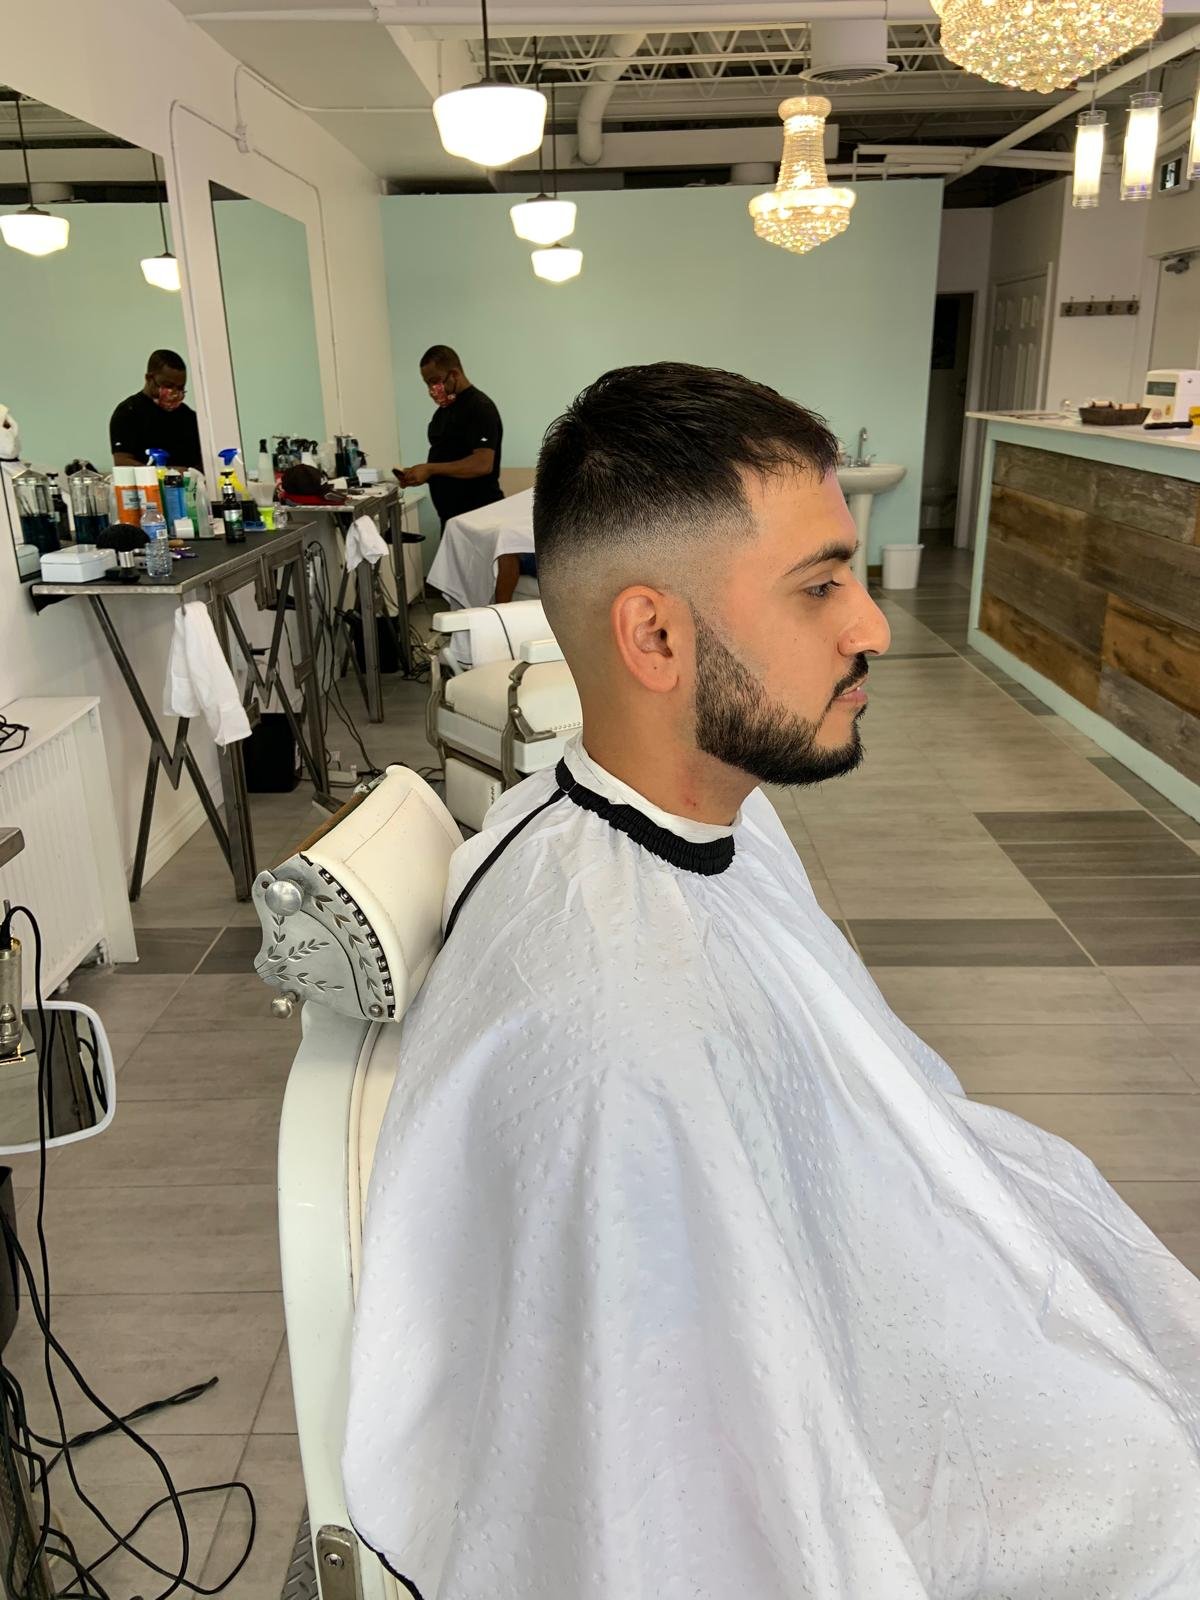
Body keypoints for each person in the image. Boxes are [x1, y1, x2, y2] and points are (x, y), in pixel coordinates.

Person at [345, 363, 1200, 1600]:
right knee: (1154, 1480)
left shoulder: (687, 824)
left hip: (888, 1304)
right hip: (856, 1413)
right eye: (821, 586)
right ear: (655, 634)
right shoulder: (615, 1039)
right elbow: (668, 1496)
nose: (873, 626)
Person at [395, 345, 526, 602]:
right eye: (427, 383)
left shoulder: (480, 408)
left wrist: (430, 468)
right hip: (452, 518)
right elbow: (446, 457)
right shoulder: (443, 413)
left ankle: (499, 620)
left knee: (493, 573)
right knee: (460, 590)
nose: (432, 389)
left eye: (435, 381)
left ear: (454, 374)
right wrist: (418, 474)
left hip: (480, 510)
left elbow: (482, 463)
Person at [109, 348, 203, 471]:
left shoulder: (188, 417)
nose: (174, 393)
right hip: (145, 488)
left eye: (180, 387)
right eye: (168, 386)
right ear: (149, 379)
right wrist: (167, 474)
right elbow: (122, 462)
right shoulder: (128, 413)